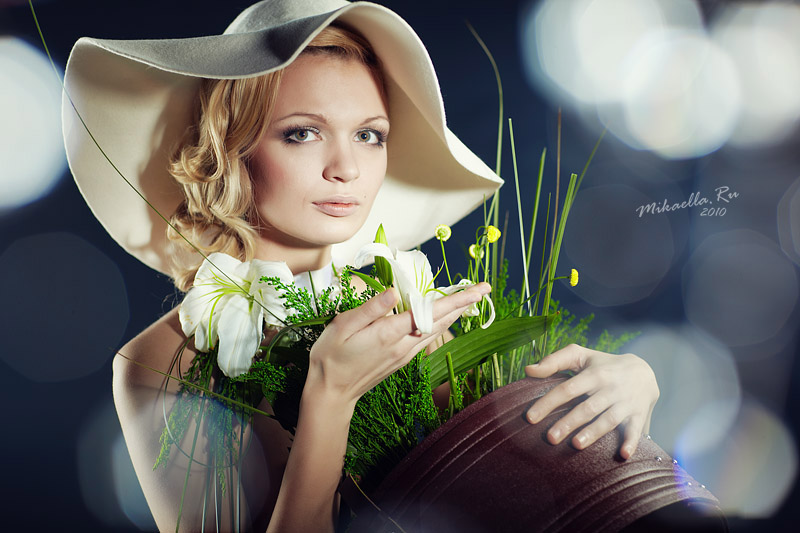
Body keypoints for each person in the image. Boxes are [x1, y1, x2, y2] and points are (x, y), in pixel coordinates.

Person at [63, 1, 659, 531]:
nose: (346, 168)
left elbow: (519, 480)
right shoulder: (164, 362)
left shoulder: (414, 308)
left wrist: (625, 385)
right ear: (232, 149)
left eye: (370, 136)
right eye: (302, 134)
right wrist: (329, 396)